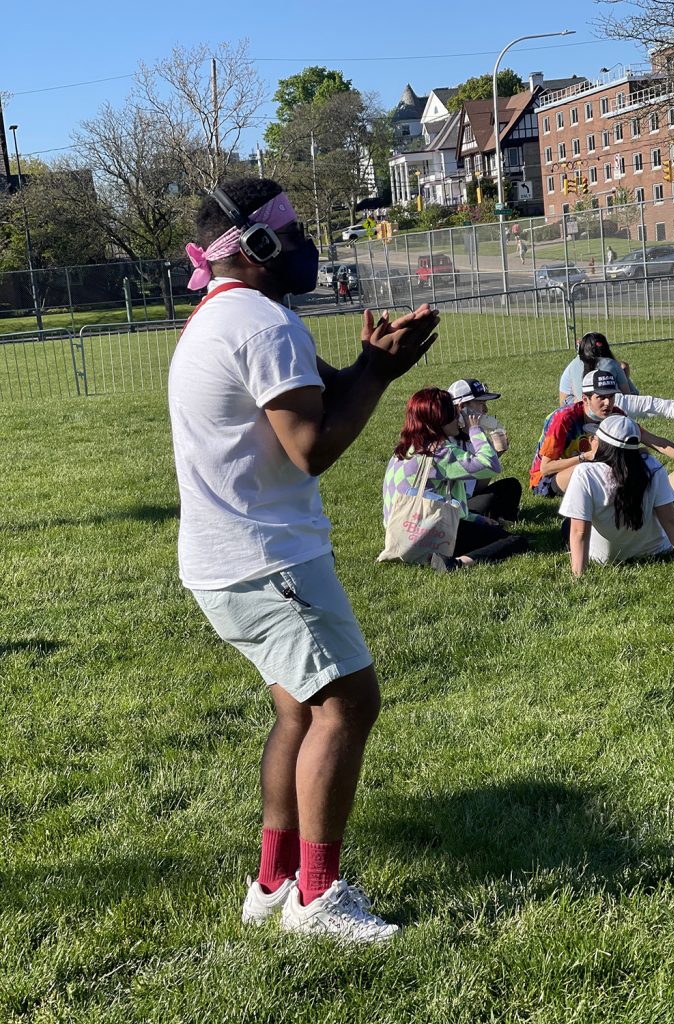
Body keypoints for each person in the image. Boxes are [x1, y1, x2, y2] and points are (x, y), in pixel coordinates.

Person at [169, 176, 439, 942]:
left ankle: (272, 880)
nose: (304, 245)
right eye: (289, 233)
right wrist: (382, 378)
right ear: (255, 246)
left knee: (299, 707)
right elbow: (312, 446)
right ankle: (316, 898)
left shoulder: (219, 316)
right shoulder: (263, 324)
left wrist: (369, 364)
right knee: (349, 703)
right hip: (268, 559)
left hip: (224, 559)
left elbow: (319, 396)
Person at [382, 388, 529, 573]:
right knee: (515, 541)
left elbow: (438, 500)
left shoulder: (406, 449)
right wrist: (475, 429)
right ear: (438, 420)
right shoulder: (439, 452)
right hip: (426, 534)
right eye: (453, 413)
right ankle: (456, 563)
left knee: (485, 529)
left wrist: (476, 519)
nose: (458, 417)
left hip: (401, 530)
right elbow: (490, 465)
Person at [559, 415, 674, 576]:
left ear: (604, 445)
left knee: (568, 524)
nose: (592, 440)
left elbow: (578, 532)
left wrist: (578, 577)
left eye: (596, 437)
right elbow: (670, 520)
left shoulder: (585, 473)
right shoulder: (652, 466)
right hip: (656, 551)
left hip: (602, 558)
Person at [532, 369, 674, 497]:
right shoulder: (564, 419)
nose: (607, 403)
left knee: (642, 456)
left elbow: (658, 443)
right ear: (585, 399)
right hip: (549, 479)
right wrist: (586, 457)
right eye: (601, 397)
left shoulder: (616, 415)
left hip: (596, 470)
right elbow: (546, 468)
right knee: (587, 470)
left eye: (611, 396)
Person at [447, 378, 522, 522]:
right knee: (488, 501)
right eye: (481, 404)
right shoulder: (448, 440)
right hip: (454, 505)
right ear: (462, 408)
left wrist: (496, 454)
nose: (486, 410)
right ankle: (491, 519)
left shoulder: (477, 436)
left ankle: (501, 519)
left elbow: (477, 487)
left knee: (512, 485)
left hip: (469, 497)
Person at [566, 332, 632, 402]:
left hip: (582, 407)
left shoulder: (573, 364)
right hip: (608, 407)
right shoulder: (612, 364)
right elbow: (627, 395)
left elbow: (575, 393)